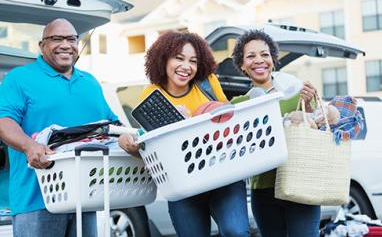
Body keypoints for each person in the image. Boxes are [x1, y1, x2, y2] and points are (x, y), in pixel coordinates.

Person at [118, 31, 250, 237]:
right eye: (178, 58)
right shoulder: (151, 94)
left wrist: (193, 123)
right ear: (163, 59)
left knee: (236, 232)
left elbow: (230, 126)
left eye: (193, 61)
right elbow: (153, 147)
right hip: (182, 184)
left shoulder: (208, 83)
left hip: (223, 176)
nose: (186, 66)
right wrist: (130, 144)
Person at [0, 18, 118, 237]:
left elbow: (113, 125)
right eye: (57, 39)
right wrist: (29, 146)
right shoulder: (19, 78)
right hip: (35, 200)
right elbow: (4, 121)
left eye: (71, 39)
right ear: (42, 45)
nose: (66, 44)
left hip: (84, 199)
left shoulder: (89, 82)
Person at [231, 29, 320, 237]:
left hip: (301, 184)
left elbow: (315, 132)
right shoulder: (238, 105)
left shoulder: (297, 92)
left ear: (273, 60)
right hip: (264, 189)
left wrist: (307, 106)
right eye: (250, 56)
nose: (258, 60)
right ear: (242, 65)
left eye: (264, 54)